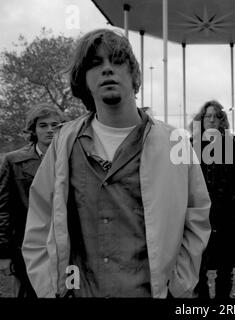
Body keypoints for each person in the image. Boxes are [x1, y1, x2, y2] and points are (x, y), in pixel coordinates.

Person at [21, 29, 211, 298]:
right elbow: (40, 219)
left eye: (117, 60)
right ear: (83, 80)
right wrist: (50, 288)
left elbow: (197, 216)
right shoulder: (64, 143)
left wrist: (177, 286)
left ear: (134, 75)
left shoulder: (175, 143)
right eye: (95, 63)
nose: (107, 69)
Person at [0, 103, 64, 297]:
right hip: (27, 245)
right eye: (43, 125)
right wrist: (3, 252)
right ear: (33, 130)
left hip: (65, 245)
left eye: (55, 125)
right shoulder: (14, 161)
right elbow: (3, 208)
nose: (50, 130)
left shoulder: (72, 158)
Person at [190, 100, 235, 298]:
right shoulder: (191, 145)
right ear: (201, 119)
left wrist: (234, 202)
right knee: (198, 267)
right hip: (198, 216)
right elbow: (180, 177)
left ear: (222, 120)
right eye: (207, 116)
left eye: (216, 116)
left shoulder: (233, 144)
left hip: (226, 216)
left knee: (225, 269)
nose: (211, 120)